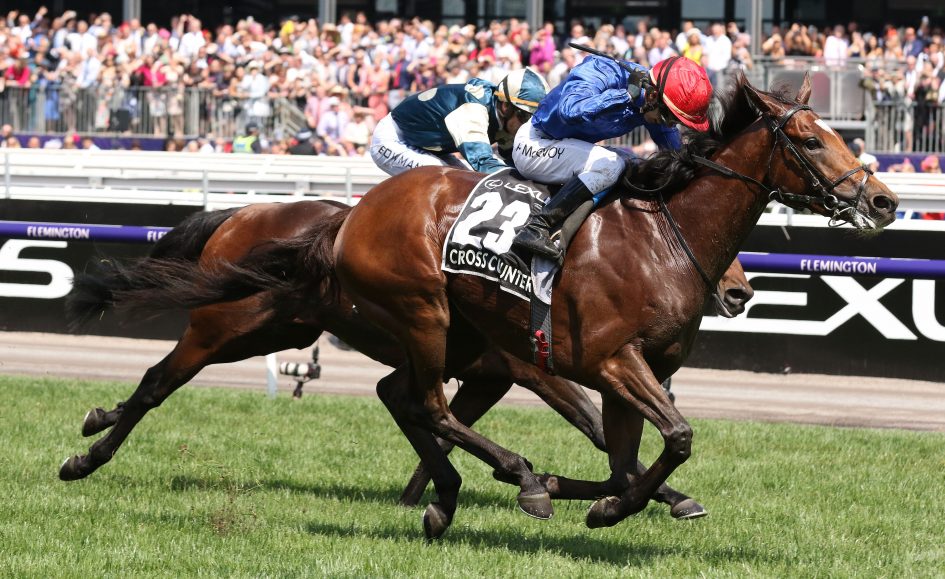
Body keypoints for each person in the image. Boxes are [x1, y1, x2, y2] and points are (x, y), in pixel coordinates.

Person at [511, 55, 712, 261]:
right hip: (535, 145)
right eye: (669, 118)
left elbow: (673, 150)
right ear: (653, 96)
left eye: (675, 122)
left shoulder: (653, 99)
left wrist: (697, 168)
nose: (669, 125)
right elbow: (569, 110)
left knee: (638, 165)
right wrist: (626, 96)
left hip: (567, 147)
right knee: (612, 165)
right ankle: (537, 226)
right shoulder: (601, 70)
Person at [369, 67, 549, 176]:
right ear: (505, 106)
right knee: (447, 179)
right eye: (525, 116)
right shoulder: (473, 109)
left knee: (464, 180)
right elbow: (483, 163)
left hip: (426, 145)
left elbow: (516, 162)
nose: (528, 124)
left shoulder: (506, 116)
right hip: (394, 139)